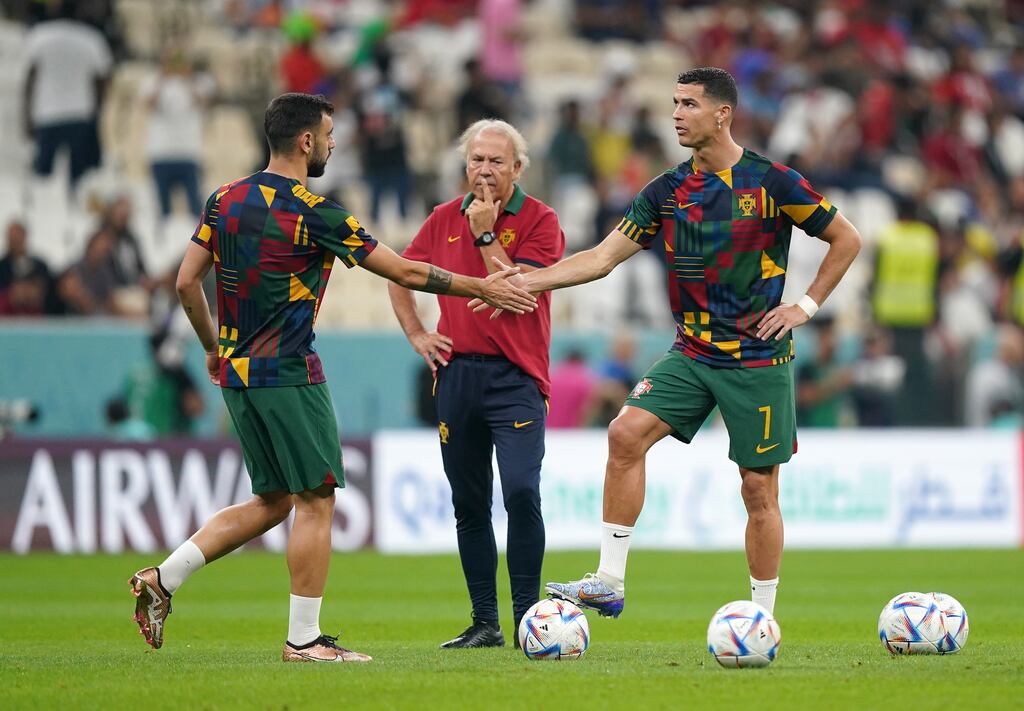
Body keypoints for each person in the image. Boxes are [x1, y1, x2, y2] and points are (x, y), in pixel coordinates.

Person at [128, 93, 536, 663]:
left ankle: (161, 579)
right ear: (305, 142)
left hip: (239, 374)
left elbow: (184, 283)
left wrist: (213, 348)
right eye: (328, 134)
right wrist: (481, 286)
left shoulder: (224, 199)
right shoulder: (312, 211)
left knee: (272, 501)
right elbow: (404, 270)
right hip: (290, 371)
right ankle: (305, 640)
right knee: (317, 502)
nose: (333, 142)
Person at [484, 68, 862, 620]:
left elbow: (845, 238)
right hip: (691, 352)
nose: (677, 114)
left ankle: (762, 615)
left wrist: (803, 307)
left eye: (688, 104)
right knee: (625, 433)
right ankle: (609, 580)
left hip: (757, 356)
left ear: (722, 113)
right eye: (675, 103)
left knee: (758, 490)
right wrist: (526, 279)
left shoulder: (772, 182)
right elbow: (601, 257)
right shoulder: (666, 191)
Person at [387, 119, 565, 649]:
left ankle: (529, 620)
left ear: (517, 168)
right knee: (469, 503)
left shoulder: (541, 220)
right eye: (475, 160)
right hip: (458, 375)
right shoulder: (442, 218)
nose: (483, 170)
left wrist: (486, 233)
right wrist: (418, 331)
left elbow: (516, 292)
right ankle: (485, 622)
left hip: (516, 378)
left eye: (495, 161)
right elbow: (400, 273)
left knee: (521, 492)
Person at [22, 0, 112, 190]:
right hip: (80, 112)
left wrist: (26, 116)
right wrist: (97, 112)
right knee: (79, 176)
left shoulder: (39, 36)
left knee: (43, 176)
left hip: (47, 112)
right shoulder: (91, 38)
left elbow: (29, 80)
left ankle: (44, 211)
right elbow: (103, 80)